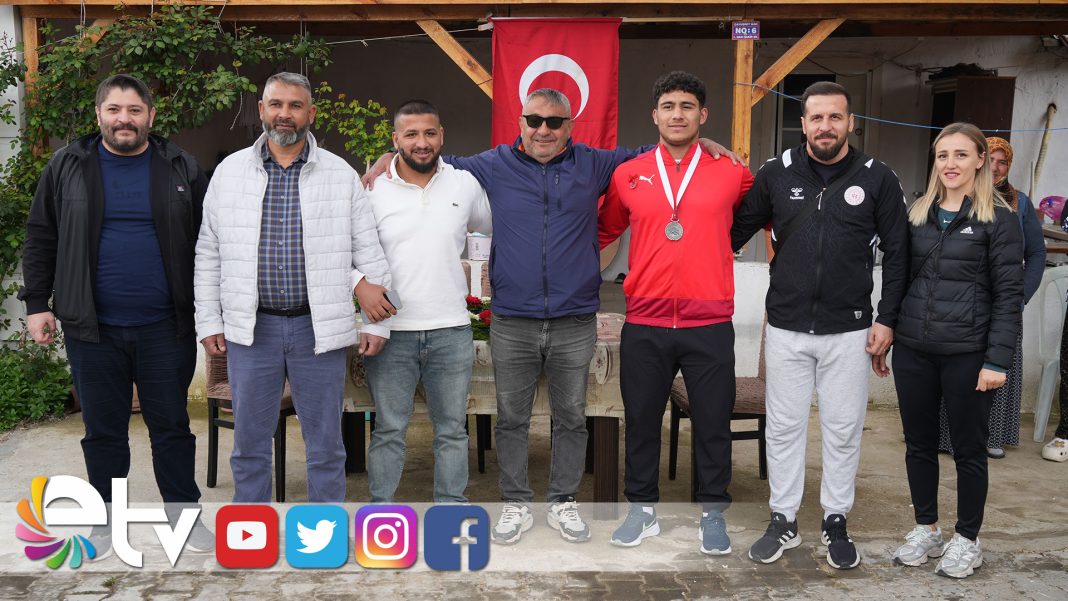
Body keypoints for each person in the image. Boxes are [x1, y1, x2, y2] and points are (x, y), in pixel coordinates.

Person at [364, 87, 737, 545]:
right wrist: (387, 157)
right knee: (511, 419)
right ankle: (516, 503)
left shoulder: (595, 164)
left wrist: (703, 143)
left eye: (555, 122)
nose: (544, 129)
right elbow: (429, 157)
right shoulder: (493, 164)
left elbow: (656, 149)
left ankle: (563, 501)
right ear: (520, 123)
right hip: (512, 318)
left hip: (574, 318)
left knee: (571, 418)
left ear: (569, 127)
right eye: (534, 120)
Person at [20, 74, 214, 554]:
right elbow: (41, 235)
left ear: (150, 115)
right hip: (92, 329)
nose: (123, 119)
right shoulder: (67, 165)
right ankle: (105, 524)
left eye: (134, 110)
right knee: (103, 433)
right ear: (99, 115)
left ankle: (183, 520)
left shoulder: (180, 166)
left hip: (166, 327)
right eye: (114, 110)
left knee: (171, 429)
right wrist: (37, 304)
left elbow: (211, 242)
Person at [731, 81, 908, 569]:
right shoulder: (775, 172)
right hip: (786, 327)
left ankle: (835, 520)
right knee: (783, 429)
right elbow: (732, 231)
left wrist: (887, 319)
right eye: (816, 118)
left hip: (850, 331)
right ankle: (783, 519)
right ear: (803, 123)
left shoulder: (878, 177)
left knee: (843, 430)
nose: (825, 126)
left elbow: (899, 255)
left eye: (835, 117)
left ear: (851, 122)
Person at [194, 72, 395, 503]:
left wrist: (376, 324)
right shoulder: (230, 173)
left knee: (325, 446)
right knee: (249, 446)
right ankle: (252, 529)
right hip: (252, 330)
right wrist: (209, 319)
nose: (285, 114)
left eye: (295, 105)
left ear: (311, 113)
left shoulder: (339, 175)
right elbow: (208, 253)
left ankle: (324, 529)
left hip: (316, 329)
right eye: (276, 104)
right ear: (262, 110)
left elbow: (369, 252)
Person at [599, 71, 753, 554]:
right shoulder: (629, 173)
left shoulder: (733, 171)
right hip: (645, 320)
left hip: (710, 322)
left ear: (702, 115)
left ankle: (713, 513)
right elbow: (603, 232)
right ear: (655, 115)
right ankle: (642, 511)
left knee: (713, 423)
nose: (677, 114)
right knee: (642, 421)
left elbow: (765, 215)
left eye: (687, 106)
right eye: (668, 106)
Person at [889, 122, 1023, 579]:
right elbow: (898, 279)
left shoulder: (999, 220)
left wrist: (997, 360)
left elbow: (1008, 296)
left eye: (961, 155)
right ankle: (927, 529)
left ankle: (968, 538)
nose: (950, 164)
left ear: (981, 160)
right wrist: (888, 329)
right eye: (943, 155)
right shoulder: (917, 214)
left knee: (968, 451)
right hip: (914, 350)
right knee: (919, 446)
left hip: (968, 353)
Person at [363, 100, 491, 503]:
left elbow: (490, 229)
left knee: (452, 430)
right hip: (391, 331)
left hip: (451, 329)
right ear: (395, 139)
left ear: (442, 136)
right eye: (412, 134)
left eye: (430, 133)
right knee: (388, 430)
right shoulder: (372, 189)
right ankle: (381, 512)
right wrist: (359, 289)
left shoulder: (464, 184)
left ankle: (450, 511)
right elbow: (347, 251)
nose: (422, 142)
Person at [937, 136, 1045, 459]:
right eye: (992, 160)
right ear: (980, 161)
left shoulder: (1019, 203)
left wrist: (1020, 296)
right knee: (955, 371)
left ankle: (992, 436)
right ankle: (946, 437)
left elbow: (1036, 254)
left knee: (997, 368)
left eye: (1003, 162)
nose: (996, 167)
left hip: (1004, 303)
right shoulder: (957, 196)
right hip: (961, 302)